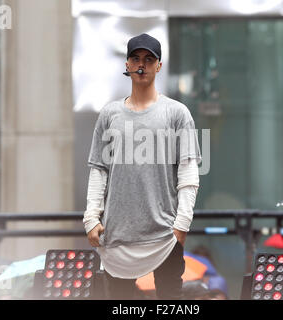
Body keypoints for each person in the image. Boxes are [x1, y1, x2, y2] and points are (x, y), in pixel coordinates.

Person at [83, 33, 202, 300]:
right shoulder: (109, 114)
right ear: (126, 64)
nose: (142, 65)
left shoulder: (177, 113)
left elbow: (188, 170)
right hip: (117, 235)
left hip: (165, 234)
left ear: (159, 66)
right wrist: (91, 216)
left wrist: (182, 222)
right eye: (136, 58)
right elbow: (98, 169)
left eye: (149, 59)